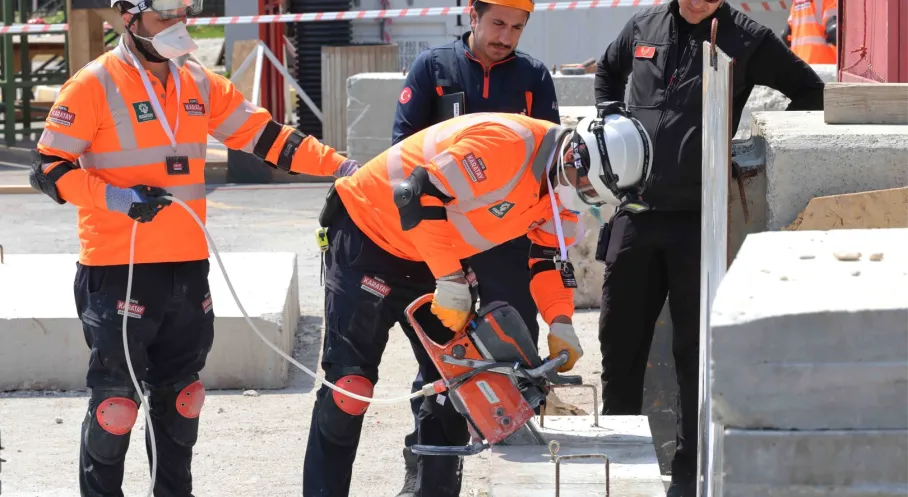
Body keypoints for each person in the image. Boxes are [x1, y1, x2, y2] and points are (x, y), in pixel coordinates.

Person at [30, 1, 358, 495]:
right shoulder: (94, 83)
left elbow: (269, 138)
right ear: (129, 17)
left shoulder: (197, 82)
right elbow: (49, 169)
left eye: (182, 15)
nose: (177, 27)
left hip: (187, 267)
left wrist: (344, 167)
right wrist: (117, 198)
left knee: (183, 400)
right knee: (115, 406)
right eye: (165, 17)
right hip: (120, 268)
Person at [301, 107, 656, 496]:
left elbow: (547, 261)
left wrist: (560, 322)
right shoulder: (507, 145)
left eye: (594, 197)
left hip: (436, 252)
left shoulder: (563, 189)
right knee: (348, 391)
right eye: (587, 189)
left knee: (460, 388)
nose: (585, 199)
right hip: (370, 235)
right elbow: (415, 194)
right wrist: (450, 279)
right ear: (576, 154)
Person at [592, 1, 825, 495]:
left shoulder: (748, 38)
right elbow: (607, 71)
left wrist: (756, 148)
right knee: (620, 343)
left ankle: (688, 477)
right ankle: (617, 468)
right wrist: (610, 121)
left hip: (699, 221)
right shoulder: (644, 25)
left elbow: (810, 90)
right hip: (636, 214)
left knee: (695, 356)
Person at [389, 0, 560, 492]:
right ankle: (427, 468)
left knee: (516, 346)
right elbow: (402, 152)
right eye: (498, 23)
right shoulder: (433, 68)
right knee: (440, 356)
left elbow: (548, 164)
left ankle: (519, 467)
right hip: (443, 241)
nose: (506, 36)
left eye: (517, 28)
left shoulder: (533, 77)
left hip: (506, 240)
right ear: (473, 15)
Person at [781, 0, 837, 64]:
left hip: (799, 61)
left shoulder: (796, 3)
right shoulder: (829, 1)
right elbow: (833, 29)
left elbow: (786, 35)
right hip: (823, 62)